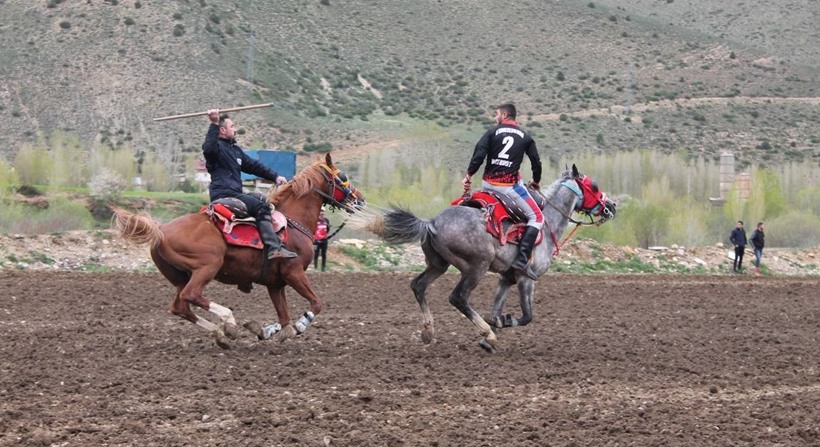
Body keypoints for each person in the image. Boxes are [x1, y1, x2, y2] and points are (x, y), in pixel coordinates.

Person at [462, 103, 543, 280]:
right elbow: (536, 162)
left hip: (488, 184)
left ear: (505, 115)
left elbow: (479, 154)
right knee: (537, 218)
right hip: (509, 187)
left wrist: (469, 175)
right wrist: (536, 181)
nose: (495, 117)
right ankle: (521, 260)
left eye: (496, 114)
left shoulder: (492, 132)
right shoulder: (526, 136)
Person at [203, 109, 297, 259]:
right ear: (222, 130)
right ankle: (273, 248)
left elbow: (253, 166)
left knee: (262, 199)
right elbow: (208, 148)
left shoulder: (235, 151)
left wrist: (275, 176)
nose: (235, 129)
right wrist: (214, 123)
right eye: (232, 126)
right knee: (261, 207)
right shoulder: (216, 149)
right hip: (224, 194)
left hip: (235, 193)